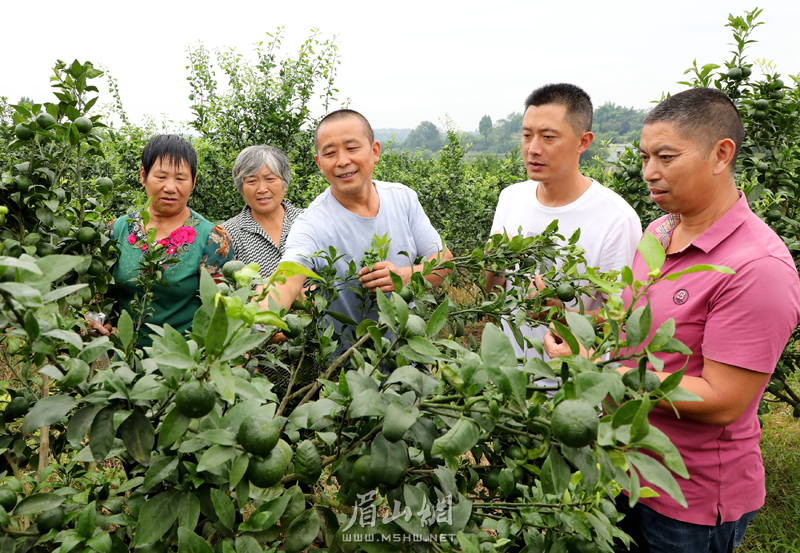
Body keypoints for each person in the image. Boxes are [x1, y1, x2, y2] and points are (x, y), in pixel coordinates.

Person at [544, 88, 800, 552]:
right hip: (621, 467)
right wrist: (582, 334)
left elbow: (723, 400)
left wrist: (597, 370)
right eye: (644, 156)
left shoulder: (756, 268)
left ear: (721, 154)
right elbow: (630, 326)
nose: (648, 173)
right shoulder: (660, 231)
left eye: (665, 156)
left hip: (689, 498)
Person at [263, 109, 452, 347]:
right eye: (330, 153)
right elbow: (286, 280)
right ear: (319, 164)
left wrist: (407, 276)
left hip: (408, 357)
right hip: (344, 369)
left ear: (374, 151)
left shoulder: (403, 199)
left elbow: (445, 260)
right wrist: (256, 318)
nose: (342, 161)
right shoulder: (312, 223)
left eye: (352, 148)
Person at [485, 83, 641, 361]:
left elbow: (622, 317)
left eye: (548, 137)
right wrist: (493, 264)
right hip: (510, 381)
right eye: (526, 135)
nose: (533, 149)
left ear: (583, 141)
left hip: (572, 385)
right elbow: (494, 293)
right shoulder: (511, 198)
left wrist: (559, 312)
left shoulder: (616, 218)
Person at [91, 134, 235, 347]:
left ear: (194, 181)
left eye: (180, 178)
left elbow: (222, 310)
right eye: (161, 177)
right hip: (123, 365)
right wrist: (96, 320)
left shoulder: (212, 238)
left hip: (185, 365)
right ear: (143, 176)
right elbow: (99, 296)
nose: (170, 187)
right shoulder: (116, 231)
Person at [222, 145, 303, 279]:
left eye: (270, 179)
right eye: (252, 181)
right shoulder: (226, 234)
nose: (262, 189)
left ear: (285, 182)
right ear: (241, 187)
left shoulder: (307, 221)